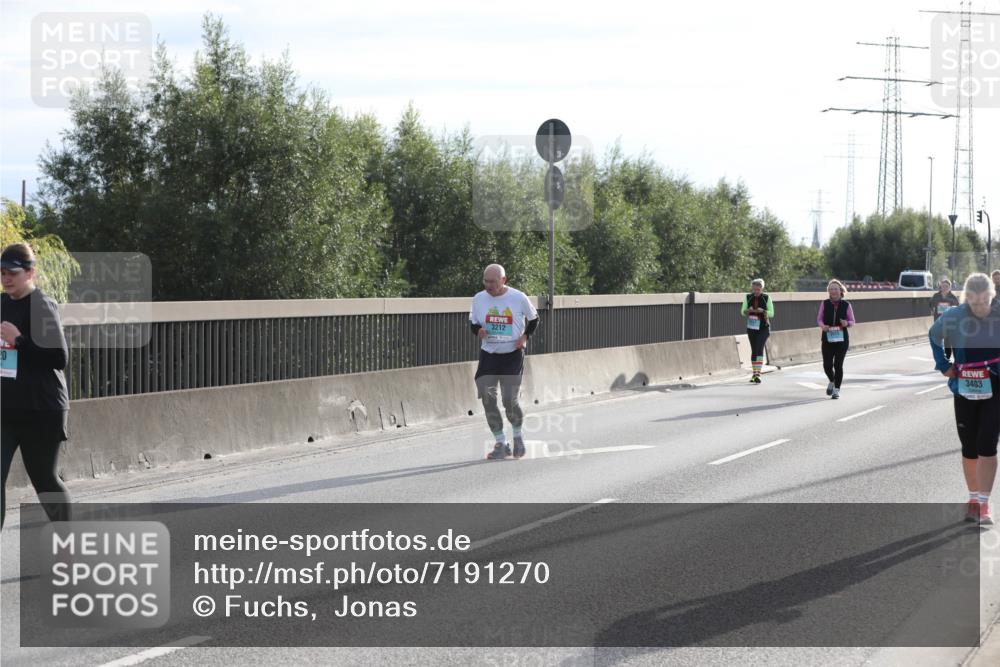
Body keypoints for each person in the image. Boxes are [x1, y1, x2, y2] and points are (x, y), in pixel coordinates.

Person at [1, 243, 72, 528]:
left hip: (41, 410)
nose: (6, 279)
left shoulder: (41, 305)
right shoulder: (2, 304)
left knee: (44, 480)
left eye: (12, 273)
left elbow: (59, 357)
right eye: (2, 273)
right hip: (6, 409)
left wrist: (20, 339)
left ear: (30, 272)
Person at [928, 273, 1000, 525]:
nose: (980, 307)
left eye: (984, 302)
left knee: (987, 443)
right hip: (965, 386)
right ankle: (972, 498)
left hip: (996, 387)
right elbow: (934, 335)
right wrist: (943, 364)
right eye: (974, 302)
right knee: (969, 445)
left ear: (992, 297)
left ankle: (983, 503)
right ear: (966, 298)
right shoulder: (955, 316)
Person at [469, 264, 539, 460]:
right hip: (489, 354)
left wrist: (525, 337)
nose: (488, 285)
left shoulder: (518, 297)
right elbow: (473, 322)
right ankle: (501, 443)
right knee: (488, 399)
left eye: (492, 281)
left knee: (509, 400)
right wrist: (478, 331)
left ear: (504, 280)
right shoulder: (479, 298)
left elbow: (534, 319)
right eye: (485, 281)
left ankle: (517, 436)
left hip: (512, 354)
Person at [817, 279, 856, 399]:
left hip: (841, 340)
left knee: (838, 365)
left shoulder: (846, 305)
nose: (833, 291)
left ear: (841, 291)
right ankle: (832, 381)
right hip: (828, 338)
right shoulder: (824, 303)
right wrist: (823, 326)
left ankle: (836, 390)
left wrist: (846, 323)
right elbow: (819, 319)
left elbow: (853, 321)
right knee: (827, 365)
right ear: (828, 291)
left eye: (836, 289)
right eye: (831, 289)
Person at [740, 278, 774, 384]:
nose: (756, 292)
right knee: (754, 350)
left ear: (762, 288)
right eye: (754, 289)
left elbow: (772, 313)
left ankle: (757, 374)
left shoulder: (766, 298)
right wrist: (748, 310)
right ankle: (754, 373)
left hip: (763, 327)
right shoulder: (748, 297)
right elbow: (742, 311)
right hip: (752, 327)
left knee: (759, 348)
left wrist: (763, 311)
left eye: (758, 290)